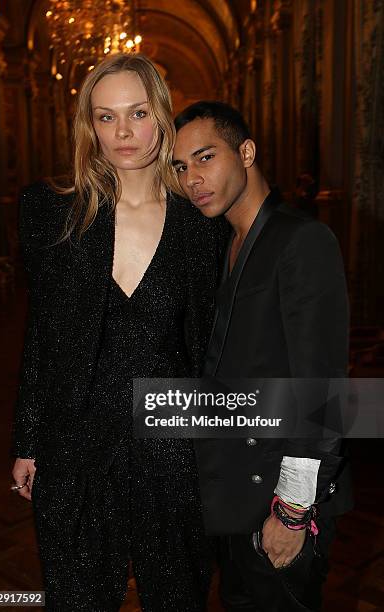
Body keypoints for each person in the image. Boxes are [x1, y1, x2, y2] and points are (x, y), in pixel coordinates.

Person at [11, 56, 225, 612]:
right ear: (89, 125)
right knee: (75, 596)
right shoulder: (50, 210)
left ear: (162, 115)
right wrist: (28, 441)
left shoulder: (200, 222)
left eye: (138, 113)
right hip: (73, 440)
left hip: (171, 442)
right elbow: (41, 335)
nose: (123, 133)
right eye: (106, 117)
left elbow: (207, 344)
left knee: (178, 596)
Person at [173, 101, 353, 611]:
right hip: (235, 497)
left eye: (205, 158)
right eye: (182, 167)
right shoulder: (224, 243)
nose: (193, 179)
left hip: (281, 503)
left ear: (246, 151)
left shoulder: (302, 241)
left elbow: (324, 389)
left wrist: (293, 511)